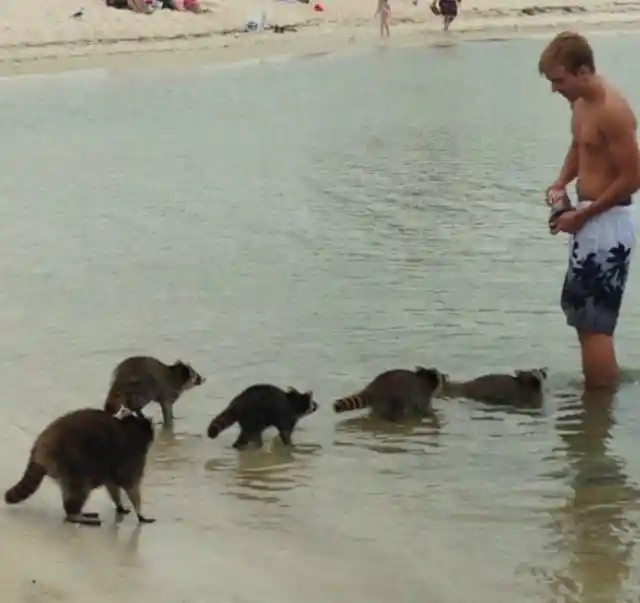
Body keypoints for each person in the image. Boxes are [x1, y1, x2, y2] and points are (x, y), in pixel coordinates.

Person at [539, 31, 640, 390]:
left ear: (583, 71)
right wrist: (560, 183)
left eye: (558, 80)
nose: (555, 89)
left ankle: (598, 413)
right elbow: (579, 145)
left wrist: (582, 216)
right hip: (589, 221)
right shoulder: (580, 103)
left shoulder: (614, 112)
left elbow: (633, 179)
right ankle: (597, 404)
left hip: (608, 225)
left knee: (596, 325)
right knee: (583, 318)